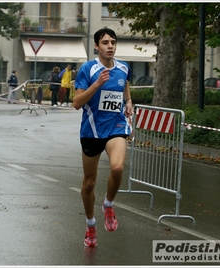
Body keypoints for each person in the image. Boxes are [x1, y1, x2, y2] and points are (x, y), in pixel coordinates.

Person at [72, 27, 133, 247]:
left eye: (113, 42)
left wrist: (128, 102)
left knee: (117, 168)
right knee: (89, 183)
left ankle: (108, 204)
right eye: (105, 42)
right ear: (97, 46)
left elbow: (125, 86)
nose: (110, 46)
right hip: (91, 131)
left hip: (116, 127)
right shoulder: (88, 69)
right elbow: (77, 103)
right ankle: (90, 224)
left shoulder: (124, 67)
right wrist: (97, 84)